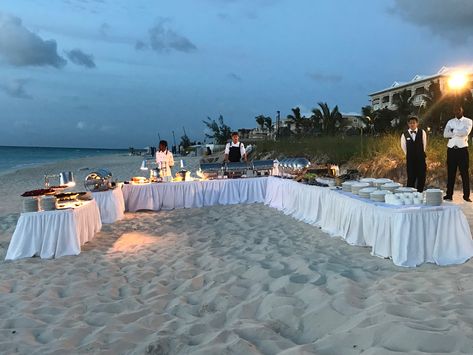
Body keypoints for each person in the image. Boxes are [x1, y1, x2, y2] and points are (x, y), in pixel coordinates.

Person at [443, 106, 472, 202]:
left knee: (464, 173)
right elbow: (445, 134)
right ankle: (449, 194)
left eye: (458, 109)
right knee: (451, 173)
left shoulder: (468, 121)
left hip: (462, 150)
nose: (457, 111)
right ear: (453, 111)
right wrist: (458, 132)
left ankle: (466, 195)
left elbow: (465, 132)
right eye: (455, 110)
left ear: (462, 110)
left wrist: (453, 131)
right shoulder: (450, 121)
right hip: (451, 150)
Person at [400, 116, 427, 192]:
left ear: (417, 123)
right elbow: (403, 147)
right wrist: (409, 154)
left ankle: (420, 192)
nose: (412, 124)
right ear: (408, 124)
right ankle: (410, 194)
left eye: (414, 123)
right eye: (410, 123)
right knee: (411, 176)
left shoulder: (422, 132)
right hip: (410, 159)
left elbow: (424, 144)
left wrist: (420, 153)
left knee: (421, 176)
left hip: (421, 158)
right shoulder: (404, 134)